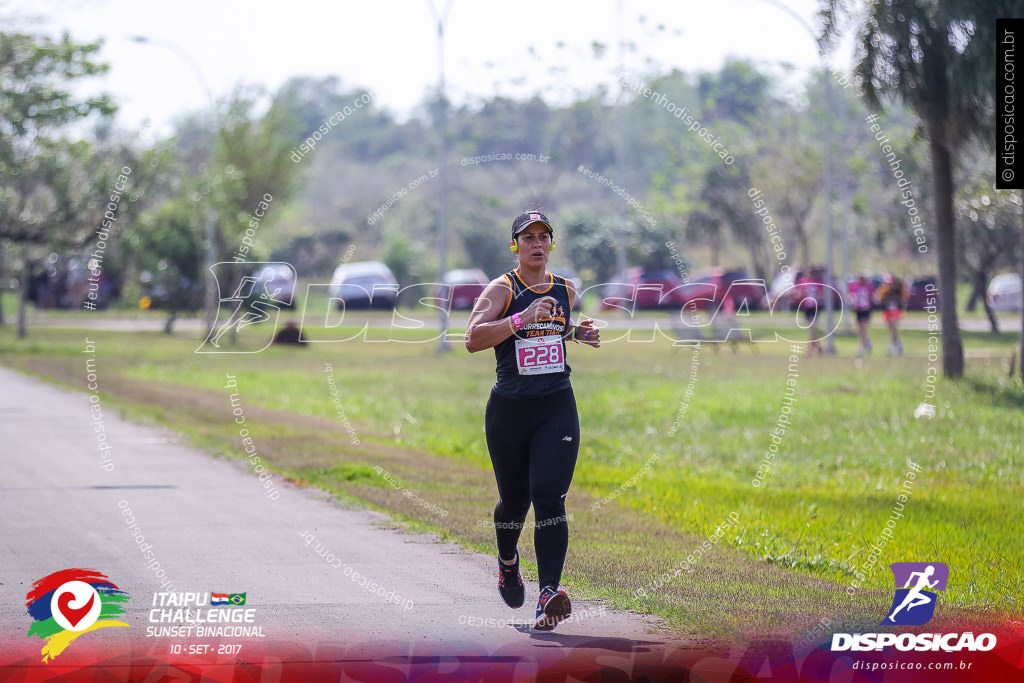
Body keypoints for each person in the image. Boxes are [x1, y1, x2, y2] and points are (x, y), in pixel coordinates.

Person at [465, 210, 601, 631]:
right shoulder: (502, 288)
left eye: (544, 237)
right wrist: (521, 317)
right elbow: (472, 338)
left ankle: (548, 595)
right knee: (515, 502)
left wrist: (578, 333)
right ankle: (508, 562)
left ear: (551, 245)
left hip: (556, 405)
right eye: (528, 238)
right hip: (510, 410)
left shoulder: (565, 288)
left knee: (549, 497)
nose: (537, 244)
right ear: (515, 246)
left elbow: (555, 329)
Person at [795, 267, 825, 356]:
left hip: (815, 307)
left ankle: (809, 349)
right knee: (812, 329)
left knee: (812, 328)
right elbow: (799, 294)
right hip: (807, 307)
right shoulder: (802, 282)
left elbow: (821, 294)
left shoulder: (817, 283)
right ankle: (819, 347)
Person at [876, 274, 909, 356]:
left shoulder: (898, 290)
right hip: (887, 311)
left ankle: (891, 347)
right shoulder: (884, 290)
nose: (889, 285)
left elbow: (905, 298)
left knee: (893, 328)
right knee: (891, 329)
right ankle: (898, 344)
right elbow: (878, 299)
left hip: (896, 311)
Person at [848, 274, 875, 357]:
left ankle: (862, 346)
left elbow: (872, 296)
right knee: (860, 329)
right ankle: (867, 342)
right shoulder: (854, 287)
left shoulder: (869, 286)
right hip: (858, 310)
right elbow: (850, 296)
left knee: (864, 328)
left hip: (866, 310)